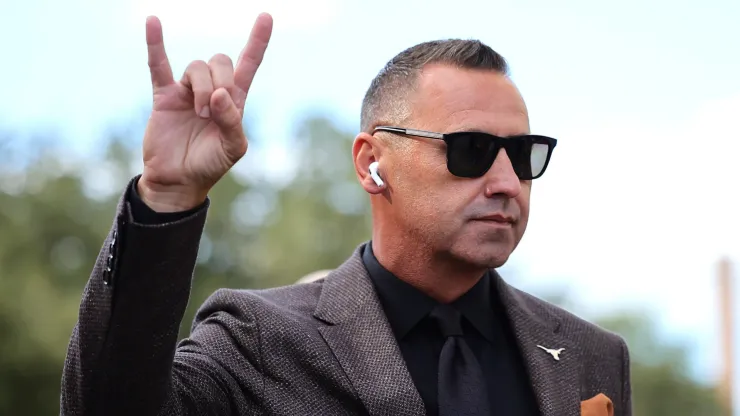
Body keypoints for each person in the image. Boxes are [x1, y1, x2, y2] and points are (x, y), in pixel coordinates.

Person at [61, 12, 632, 416]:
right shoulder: (261, 341)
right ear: (372, 163)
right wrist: (167, 198)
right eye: (472, 151)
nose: (507, 182)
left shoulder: (591, 357)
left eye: (525, 155)